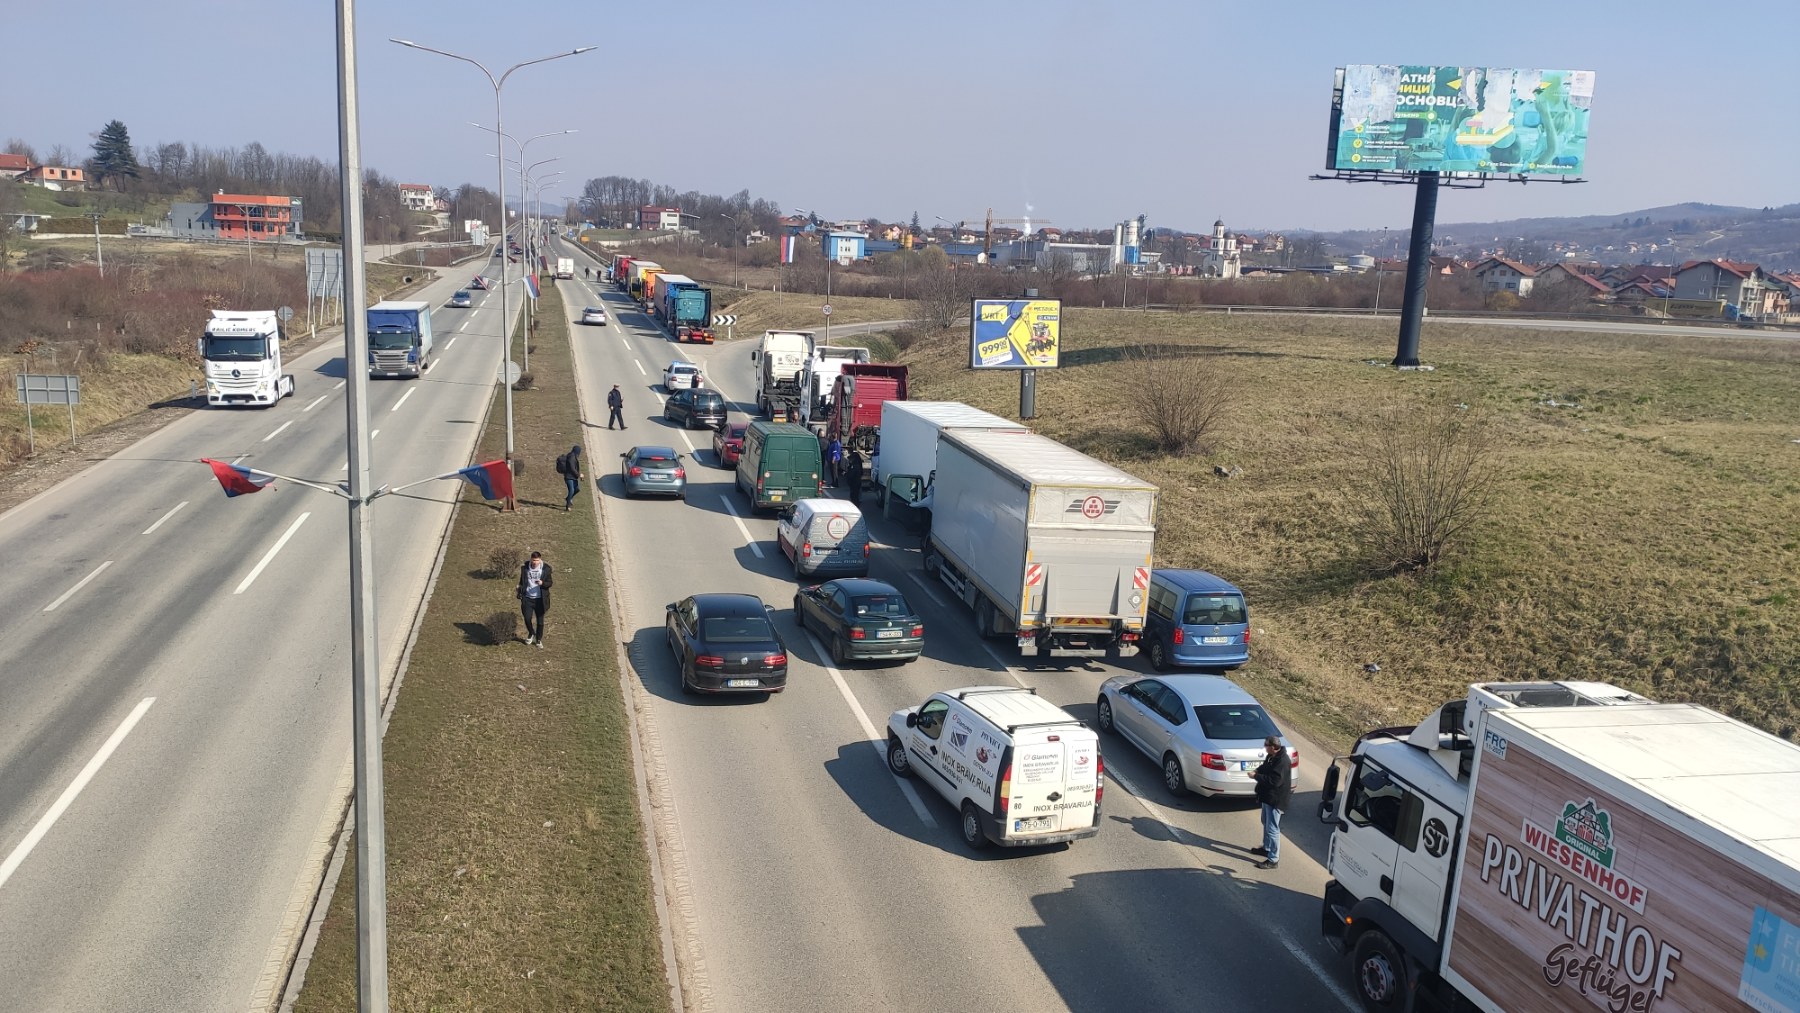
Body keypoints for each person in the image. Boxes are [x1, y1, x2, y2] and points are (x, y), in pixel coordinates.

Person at [1251, 735, 1293, 869]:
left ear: (1273, 747)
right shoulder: (1271, 756)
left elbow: (1275, 781)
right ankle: (1266, 848)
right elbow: (1265, 767)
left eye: (1266, 744)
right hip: (1267, 797)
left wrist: (1256, 776)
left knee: (1272, 828)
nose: (1264, 746)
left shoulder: (1282, 761)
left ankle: (1273, 859)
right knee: (1265, 821)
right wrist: (1258, 770)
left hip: (1276, 800)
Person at [516, 551, 553, 648]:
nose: (535, 562)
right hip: (527, 598)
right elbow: (522, 581)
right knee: (527, 618)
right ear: (530, 559)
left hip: (540, 600)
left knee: (540, 622)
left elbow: (550, 583)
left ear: (540, 560)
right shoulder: (525, 568)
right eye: (533, 560)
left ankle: (538, 640)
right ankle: (531, 633)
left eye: (537, 560)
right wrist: (519, 587)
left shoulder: (545, 569)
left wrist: (542, 583)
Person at [558, 444, 583, 511]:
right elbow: (572, 468)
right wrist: (578, 475)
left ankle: (568, 498)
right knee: (571, 490)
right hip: (569, 477)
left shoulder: (573, 456)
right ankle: (568, 505)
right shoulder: (571, 457)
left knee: (577, 489)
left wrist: (578, 475)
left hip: (573, 477)